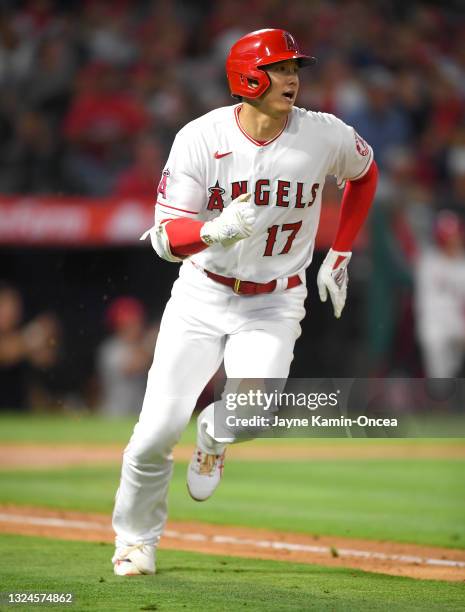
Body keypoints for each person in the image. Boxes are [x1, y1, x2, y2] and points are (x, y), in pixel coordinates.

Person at [112, 29, 378, 576]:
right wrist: (213, 231)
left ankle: (214, 435)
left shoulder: (322, 134)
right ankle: (136, 542)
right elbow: (164, 240)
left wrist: (341, 251)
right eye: (280, 68)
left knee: (251, 413)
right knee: (154, 434)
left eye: (295, 68)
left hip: (275, 301)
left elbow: (365, 173)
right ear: (248, 77)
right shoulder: (199, 137)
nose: (293, 79)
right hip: (202, 292)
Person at [414, 210, 465, 377]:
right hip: (435, 323)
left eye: (455, 237)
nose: (453, 242)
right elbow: (426, 304)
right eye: (448, 239)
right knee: (438, 365)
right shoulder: (428, 262)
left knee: (453, 369)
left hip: (459, 323)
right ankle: (440, 397)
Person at [97, 296, 155, 417]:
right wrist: (152, 340)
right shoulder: (110, 349)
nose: (136, 327)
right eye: (130, 324)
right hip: (114, 416)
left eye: (137, 323)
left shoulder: (141, 345)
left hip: (138, 415)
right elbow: (133, 365)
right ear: (119, 325)